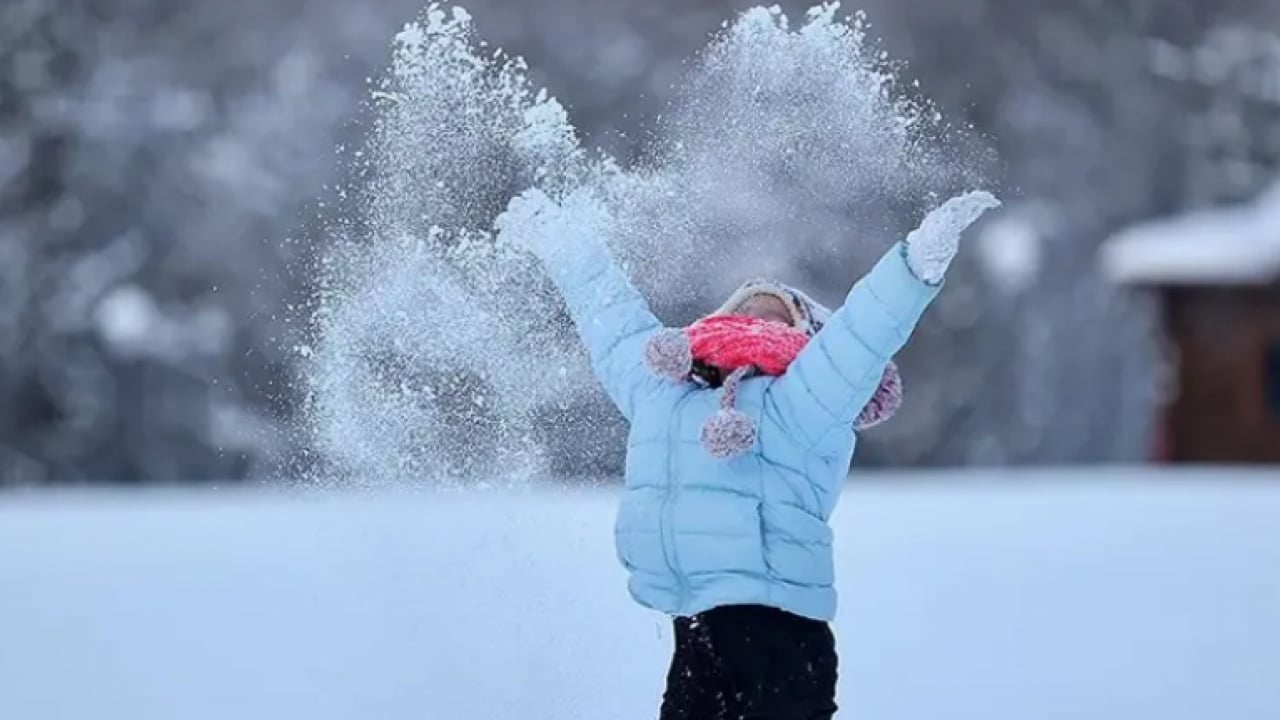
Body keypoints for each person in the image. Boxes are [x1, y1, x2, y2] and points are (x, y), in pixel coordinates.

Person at [495, 186, 999, 719]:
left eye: (779, 315)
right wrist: (565, 246)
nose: (758, 318)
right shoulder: (664, 394)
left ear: (808, 338)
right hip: (694, 632)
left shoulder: (805, 400)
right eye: (745, 309)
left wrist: (916, 263)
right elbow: (614, 326)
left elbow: (862, 336)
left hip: (781, 636)